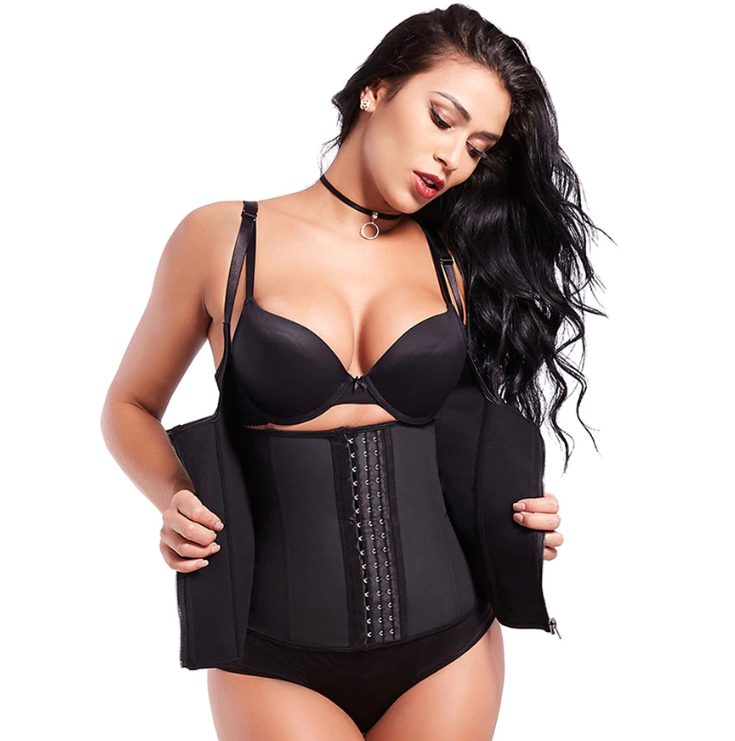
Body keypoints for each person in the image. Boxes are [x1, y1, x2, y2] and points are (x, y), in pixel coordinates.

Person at [101, 4, 603, 739]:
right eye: (442, 118)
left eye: (477, 147)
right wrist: (176, 499)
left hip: (451, 646)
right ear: (377, 88)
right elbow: (129, 404)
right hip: (270, 651)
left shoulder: (452, 260)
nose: (453, 158)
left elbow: (459, 437)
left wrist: (518, 515)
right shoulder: (224, 238)